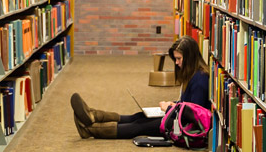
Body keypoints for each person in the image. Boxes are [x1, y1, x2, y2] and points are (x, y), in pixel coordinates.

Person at [70, 35, 209, 139]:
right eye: (176, 59)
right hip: (178, 117)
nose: (177, 63)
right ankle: (93, 115)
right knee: (139, 116)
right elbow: (187, 105)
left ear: (189, 58)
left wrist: (170, 107)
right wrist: (173, 104)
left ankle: (90, 129)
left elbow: (194, 115)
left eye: (179, 59)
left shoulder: (200, 79)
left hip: (183, 126)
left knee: (140, 126)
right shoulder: (193, 74)